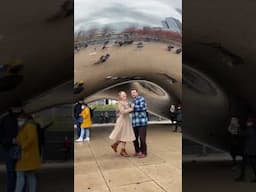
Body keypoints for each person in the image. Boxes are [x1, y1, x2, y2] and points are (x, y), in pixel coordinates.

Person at [15, 114, 41, 192]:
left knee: (20, 174)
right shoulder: (26, 127)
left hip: (26, 155)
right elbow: (21, 139)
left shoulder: (29, 127)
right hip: (29, 157)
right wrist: (16, 140)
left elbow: (30, 139)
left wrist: (22, 146)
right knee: (30, 175)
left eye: (20, 120)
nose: (18, 121)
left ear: (25, 119)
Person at [0, 104, 23, 192]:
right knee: (14, 172)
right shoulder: (5, 119)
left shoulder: (5, 119)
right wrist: (9, 141)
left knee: (15, 172)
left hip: (13, 148)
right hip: (11, 147)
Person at [109, 91, 135, 157]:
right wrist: (131, 108)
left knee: (124, 135)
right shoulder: (119, 103)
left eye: (125, 95)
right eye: (123, 95)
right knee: (123, 135)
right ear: (120, 97)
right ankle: (122, 150)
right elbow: (122, 111)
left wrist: (130, 108)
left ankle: (116, 145)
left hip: (127, 120)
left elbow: (127, 111)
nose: (125, 96)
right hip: (122, 120)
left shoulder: (126, 102)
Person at [236, 117, 256, 182]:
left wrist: (238, 127)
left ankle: (242, 177)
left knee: (252, 164)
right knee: (245, 164)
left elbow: (241, 134)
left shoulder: (250, 130)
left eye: (248, 122)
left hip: (249, 151)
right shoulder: (252, 129)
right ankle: (242, 177)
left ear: (251, 123)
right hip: (250, 151)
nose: (247, 123)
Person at [131, 89, 148, 158]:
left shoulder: (141, 98)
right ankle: (137, 151)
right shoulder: (132, 101)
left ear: (137, 93)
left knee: (142, 138)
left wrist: (133, 107)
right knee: (134, 138)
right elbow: (131, 110)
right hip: (135, 123)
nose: (133, 94)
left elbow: (142, 107)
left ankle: (144, 152)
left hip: (142, 122)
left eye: (134, 92)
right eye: (132, 93)